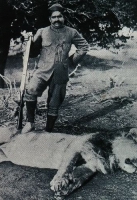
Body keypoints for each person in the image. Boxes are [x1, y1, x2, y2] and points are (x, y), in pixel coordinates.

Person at [22, 3, 89, 133]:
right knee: (30, 90)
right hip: (42, 70)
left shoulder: (72, 32)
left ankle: (48, 131)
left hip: (60, 71)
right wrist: (27, 44)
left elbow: (84, 47)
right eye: (54, 17)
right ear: (50, 19)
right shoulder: (42, 32)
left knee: (54, 103)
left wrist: (71, 62)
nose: (57, 19)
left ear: (63, 18)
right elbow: (33, 52)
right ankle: (30, 123)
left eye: (60, 16)